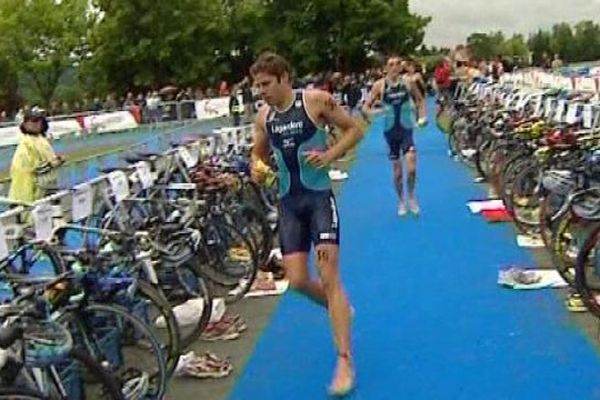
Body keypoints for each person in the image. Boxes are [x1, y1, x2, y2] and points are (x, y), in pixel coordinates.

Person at [249, 52, 363, 396]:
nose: (261, 91)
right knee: (297, 280)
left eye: (266, 84)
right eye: (257, 86)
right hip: (288, 205)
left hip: (318, 200)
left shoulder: (314, 101)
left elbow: (354, 129)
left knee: (329, 277)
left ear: (284, 77)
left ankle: (344, 359)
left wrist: (330, 155)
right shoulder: (264, 117)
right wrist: (257, 164)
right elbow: (258, 153)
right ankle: (340, 307)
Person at [362, 55, 427, 216]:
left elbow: (420, 100)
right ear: (386, 68)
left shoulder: (408, 83)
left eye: (398, 64)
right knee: (398, 172)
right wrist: (375, 112)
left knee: (411, 167)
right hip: (390, 131)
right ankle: (401, 201)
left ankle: (411, 196)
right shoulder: (379, 85)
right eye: (391, 64)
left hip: (406, 128)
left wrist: (422, 116)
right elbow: (365, 107)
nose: (395, 67)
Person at [9, 110, 64, 203]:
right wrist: (52, 164)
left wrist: (56, 161)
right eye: (33, 121)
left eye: (39, 121)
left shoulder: (41, 140)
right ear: (25, 124)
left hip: (45, 190)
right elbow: (31, 168)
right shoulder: (26, 143)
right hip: (29, 194)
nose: (37, 124)